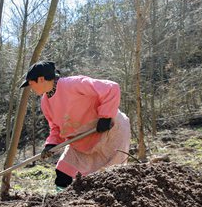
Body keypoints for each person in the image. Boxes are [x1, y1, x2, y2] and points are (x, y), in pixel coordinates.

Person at [21, 61, 131, 191]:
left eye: (31, 84)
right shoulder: (45, 103)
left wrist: (105, 117)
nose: (31, 88)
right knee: (63, 173)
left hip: (110, 131)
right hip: (82, 141)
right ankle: (63, 206)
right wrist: (51, 144)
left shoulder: (73, 84)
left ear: (41, 79)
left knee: (110, 177)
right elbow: (56, 127)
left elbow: (111, 87)